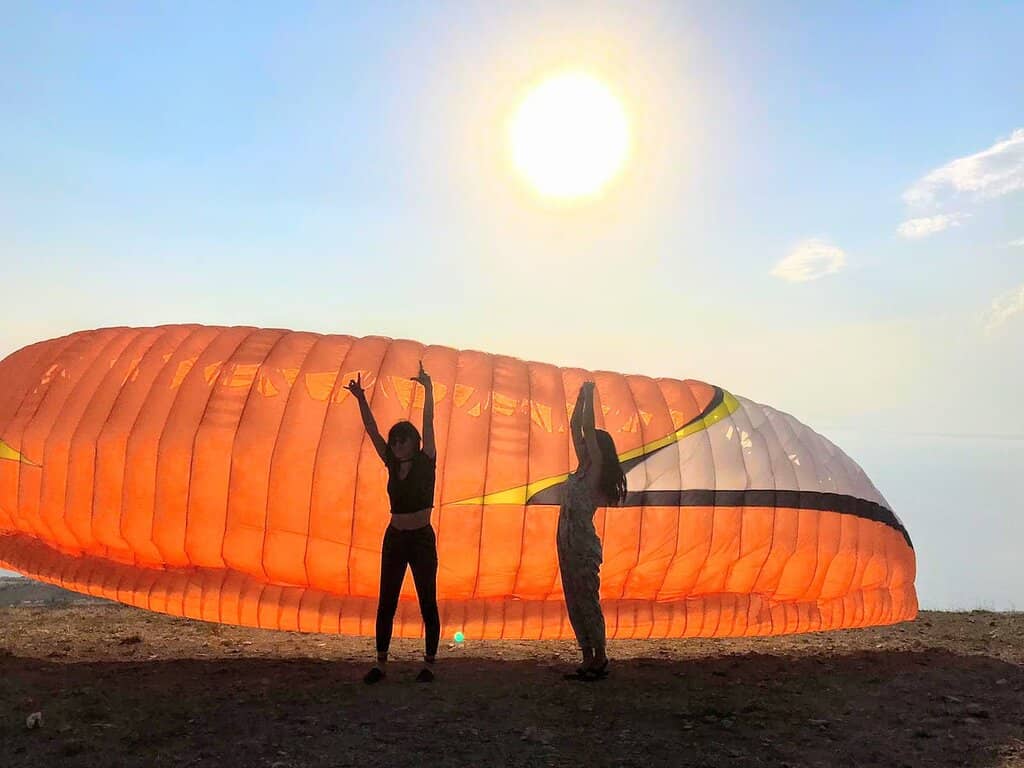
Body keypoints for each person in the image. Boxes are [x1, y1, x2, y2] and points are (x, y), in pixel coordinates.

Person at [346, 362, 439, 684]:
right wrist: (360, 399)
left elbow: (429, 423)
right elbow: (372, 431)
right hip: (396, 537)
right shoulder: (389, 462)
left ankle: (428, 664)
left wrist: (428, 391)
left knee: (428, 598)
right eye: (395, 440)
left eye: (404, 439)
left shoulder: (427, 462)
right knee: (387, 599)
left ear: (414, 442)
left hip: (422, 538)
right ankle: (381, 663)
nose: (398, 444)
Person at [558, 380, 627, 681]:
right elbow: (576, 427)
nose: (583, 444)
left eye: (590, 443)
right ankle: (587, 656)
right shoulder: (581, 468)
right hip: (566, 542)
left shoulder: (595, 470)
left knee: (587, 599)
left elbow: (585, 429)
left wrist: (590, 394)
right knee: (574, 600)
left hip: (583, 545)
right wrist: (578, 397)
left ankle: (600, 656)